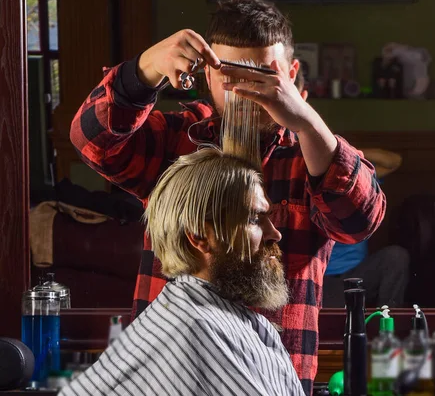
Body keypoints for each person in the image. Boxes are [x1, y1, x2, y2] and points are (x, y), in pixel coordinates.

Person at [70, 0, 386, 394]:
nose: (243, 88)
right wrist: (145, 68)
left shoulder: (313, 155)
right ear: (206, 74)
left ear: (291, 73)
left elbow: (359, 220)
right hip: (172, 375)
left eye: (261, 73)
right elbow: (92, 141)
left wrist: (307, 124)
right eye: (230, 72)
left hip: (272, 377)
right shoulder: (176, 142)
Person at [59, 148, 305, 396]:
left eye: (268, 217)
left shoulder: (230, 320)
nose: (275, 233)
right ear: (199, 236)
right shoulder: (196, 329)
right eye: (253, 219)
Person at [322, 148, 410, 308]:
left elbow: (394, 161)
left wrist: (344, 150)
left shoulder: (357, 179)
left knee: (396, 257)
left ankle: (387, 324)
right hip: (322, 279)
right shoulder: (310, 186)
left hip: (358, 275)